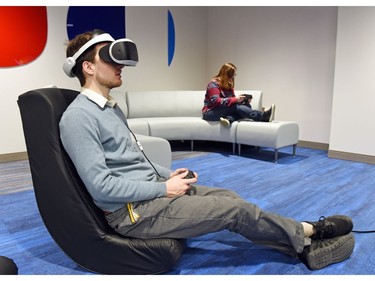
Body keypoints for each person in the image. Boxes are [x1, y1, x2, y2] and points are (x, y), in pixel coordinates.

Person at [59, 30, 355, 271]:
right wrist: (164, 189)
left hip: (150, 195)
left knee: (230, 197)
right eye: (110, 59)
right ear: (88, 67)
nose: (120, 65)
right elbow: (101, 188)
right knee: (235, 211)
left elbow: (132, 161)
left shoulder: (111, 108)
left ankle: (295, 242)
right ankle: (309, 236)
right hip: (136, 215)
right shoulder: (78, 117)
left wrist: (167, 174)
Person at [202, 63, 275, 127]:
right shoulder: (213, 84)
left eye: (234, 75)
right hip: (210, 112)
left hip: (222, 110)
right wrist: (235, 100)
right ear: (226, 74)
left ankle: (229, 119)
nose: (232, 77)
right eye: (231, 75)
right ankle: (262, 116)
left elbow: (231, 101)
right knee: (237, 107)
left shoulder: (228, 85)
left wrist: (243, 101)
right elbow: (216, 101)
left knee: (247, 106)